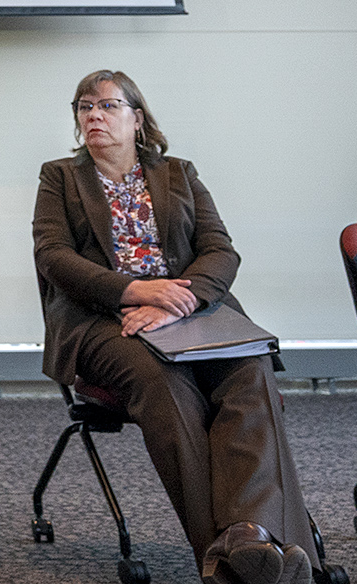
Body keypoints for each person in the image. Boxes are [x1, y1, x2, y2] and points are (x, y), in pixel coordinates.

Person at [32, 69, 312, 584]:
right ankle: (235, 560)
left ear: (137, 119)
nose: (93, 115)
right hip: (104, 320)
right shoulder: (60, 177)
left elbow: (219, 251)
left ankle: (248, 535)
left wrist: (176, 301)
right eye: (83, 106)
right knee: (166, 384)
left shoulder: (178, 173)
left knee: (250, 369)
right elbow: (55, 258)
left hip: (190, 310)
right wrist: (136, 291)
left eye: (107, 105)